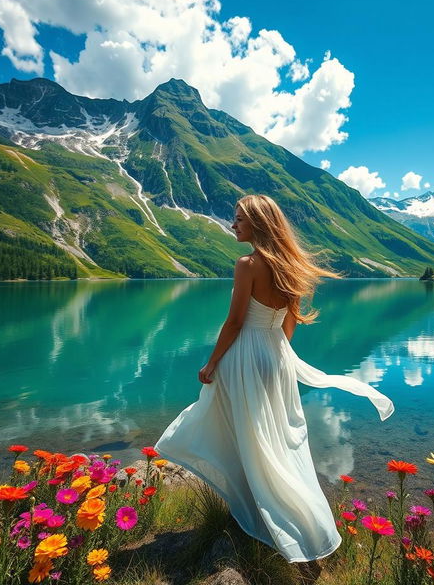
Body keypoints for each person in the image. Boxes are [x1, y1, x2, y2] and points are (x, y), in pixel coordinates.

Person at [153, 194, 394, 568]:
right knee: (276, 438)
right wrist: (276, 355)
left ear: (258, 225)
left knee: (240, 432)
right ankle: (290, 516)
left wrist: (211, 363)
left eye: (238, 220)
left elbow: (234, 324)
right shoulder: (289, 265)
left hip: (245, 355)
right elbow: (290, 319)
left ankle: (260, 514)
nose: (232, 225)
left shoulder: (247, 264)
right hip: (276, 356)